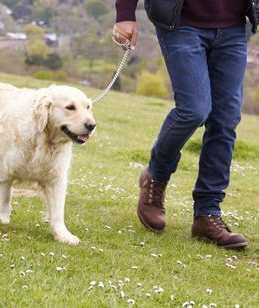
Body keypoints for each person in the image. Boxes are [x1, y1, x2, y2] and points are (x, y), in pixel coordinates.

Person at [113, 0, 258, 249]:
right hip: (182, 24)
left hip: (234, 27)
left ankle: (206, 215)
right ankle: (156, 177)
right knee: (194, 110)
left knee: (225, 121)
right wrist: (125, 14)